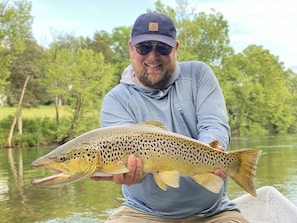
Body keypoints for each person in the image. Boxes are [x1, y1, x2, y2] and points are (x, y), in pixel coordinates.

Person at [94, 12, 249, 223]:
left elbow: (214, 125)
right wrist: (126, 172)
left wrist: (211, 153)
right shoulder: (116, 100)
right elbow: (121, 156)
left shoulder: (198, 75)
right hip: (142, 213)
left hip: (213, 212)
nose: (152, 56)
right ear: (131, 48)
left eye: (163, 48)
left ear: (175, 48)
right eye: (144, 47)